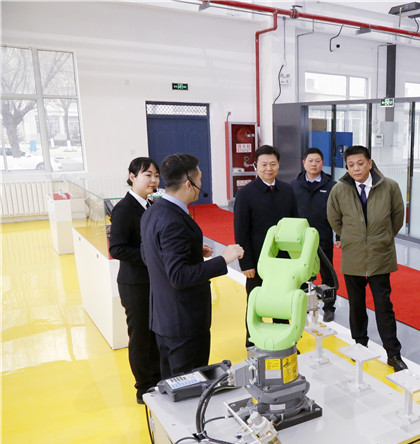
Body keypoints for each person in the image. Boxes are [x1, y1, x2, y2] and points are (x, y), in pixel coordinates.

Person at [141, 153, 244, 378]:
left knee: (171, 384)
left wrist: (192, 251)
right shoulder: (173, 220)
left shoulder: (153, 211)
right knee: (188, 386)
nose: (200, 185)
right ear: (189, 184)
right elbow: (179, 276)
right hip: (183, 325)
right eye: (200, 179)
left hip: (163, 319)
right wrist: (223, 259)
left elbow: (149, 255)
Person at [327, 145, 408, 372]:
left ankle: (393, 354)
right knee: (356, 305)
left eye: (360, 163)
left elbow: (397, 217)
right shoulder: (339, 190)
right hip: (352, 256)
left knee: (384, 306)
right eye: (351, 165)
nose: (356, 168)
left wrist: (382, 237)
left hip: (380, 256)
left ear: (370, 163)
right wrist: (351, 237)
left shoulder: (390, 187)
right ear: (346, 167)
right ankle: (360, 346)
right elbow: (334, 219)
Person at [109, 157, 162, 404]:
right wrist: (151, 255)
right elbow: (117, 249)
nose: (153, 180)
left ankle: (158, 377)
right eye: (147, 175)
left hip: (153, 281)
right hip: (135, 284)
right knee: (140, 336)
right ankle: (143, 386)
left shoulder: (151, 205)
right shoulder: (123, 209)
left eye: (156, 175)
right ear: (132, 177)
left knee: (155, 332)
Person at [234, 145, 298, 346]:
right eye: (263, 164)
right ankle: (252, 343)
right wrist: (246, 263)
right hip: (257, 260)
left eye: (273, 164)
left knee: (283, 301)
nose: (268, 168)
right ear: (256, 166)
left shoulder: (287, 190)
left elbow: (295, 225)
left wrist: (296, 259)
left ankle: (284, 342)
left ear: (278, 165)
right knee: (256, 302)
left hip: (283, 260)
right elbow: (241, 231)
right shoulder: (246, 193)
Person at [292, 147, 337, 322]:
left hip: (323, 238)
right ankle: (303, 305)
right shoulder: (293, 186)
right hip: (300, 240)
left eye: (317, 161)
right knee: (303, 274)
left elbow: (339, 213)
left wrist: (339, 236)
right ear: (304, 163)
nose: (314, 164)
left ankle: (329, 307)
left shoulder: (332, 186)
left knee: (327, 275)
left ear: (322, 163)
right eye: (310, 161)